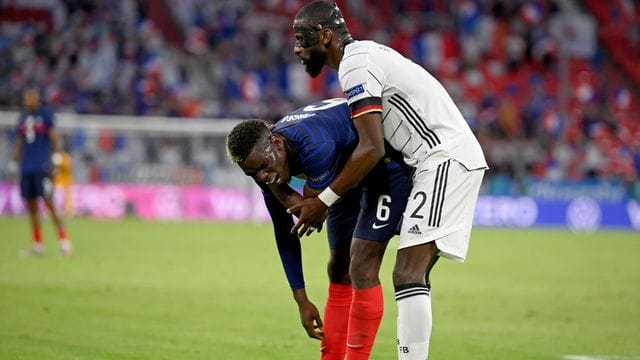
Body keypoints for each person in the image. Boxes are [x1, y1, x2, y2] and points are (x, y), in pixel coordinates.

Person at [289, 2, 488, 359]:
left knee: (408, 273)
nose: (297, 48)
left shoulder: (356, 65)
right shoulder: (363, 59)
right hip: (432, 163)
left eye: (302, 39)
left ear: (325, 36)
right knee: (408, 273)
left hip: (443, 159)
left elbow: (371, 148)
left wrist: (323, 202)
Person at [225, 98, 413, 359]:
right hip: (343, 175)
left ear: (276, 143)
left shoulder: (313, 145)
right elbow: (285, 233)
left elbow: (311, 207)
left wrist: (286, 194)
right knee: (338, 268)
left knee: (361, 263)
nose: (262, 177)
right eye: (252, 174)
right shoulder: (264, 163)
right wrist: (301, 300)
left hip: (384, 168)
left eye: (263, 169)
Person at [9, 86, 72, 257]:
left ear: (37, 98)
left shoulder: (45, 115)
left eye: (31, 97)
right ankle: (38, 244)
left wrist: (57, 158)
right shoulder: (22, 118)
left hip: (42, 168)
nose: (28, 100)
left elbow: (54, 137)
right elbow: (19, 142)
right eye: (26, 97)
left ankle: (64, 242)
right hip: (26, 168)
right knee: (31, 208)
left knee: (50, 204)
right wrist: (14, 162)